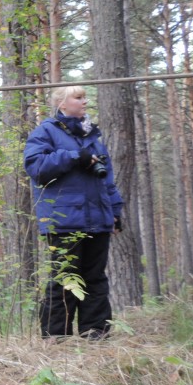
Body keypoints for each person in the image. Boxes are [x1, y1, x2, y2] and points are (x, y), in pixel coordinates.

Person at [24, 85, 124, 340]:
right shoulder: (46, 132)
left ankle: (96, 335)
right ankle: (56, 339)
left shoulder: (93, 139)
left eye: (85, 97)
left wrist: (114, 212)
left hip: (98, 221)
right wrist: (74, 156)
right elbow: (36, 168)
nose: (84, 102)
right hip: (64, 221)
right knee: (65, 279)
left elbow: (107, 182)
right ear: (62, 104)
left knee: (95, 280)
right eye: (78, 97)